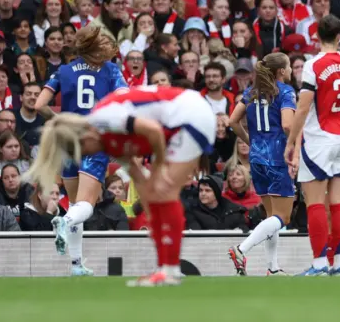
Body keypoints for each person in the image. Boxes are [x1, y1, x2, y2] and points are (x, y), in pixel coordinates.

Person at [25, 85, 216, 286]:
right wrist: (152, 210)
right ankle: (164, 269)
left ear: (83, 139)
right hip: (180, 121)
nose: (84, 157)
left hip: (191, 115)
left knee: (165, 192)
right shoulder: (107, 141)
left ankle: (169, 270)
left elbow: (154, 132)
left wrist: (158, 169)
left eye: (80, 152)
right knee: (157, 197)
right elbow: (138, 175)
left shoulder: (105, 119)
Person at [32, 26, 125, 277]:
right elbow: (125, 99)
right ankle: (63, 222)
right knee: (86, 205)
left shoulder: (63, 70)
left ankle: (75, 265)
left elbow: (39, 105)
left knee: (74, 203)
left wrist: (61, 121)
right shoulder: (110, 70)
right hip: (94, 139)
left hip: (68, 140)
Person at [284, 15, 340, 276]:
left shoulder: (313, 65)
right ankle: (338, 264)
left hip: (319, 139)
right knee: (339, 203)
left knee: (314, 202)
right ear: (339, 36)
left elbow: (303, 108)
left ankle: (318, 264)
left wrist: (291, 141)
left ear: (316, 36)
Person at [226, 53, 296, 276]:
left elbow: (232, 121)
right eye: (289, 67)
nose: (292, 70)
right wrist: (295, 147)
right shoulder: (285, 92)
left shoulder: (251, 92)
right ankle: (241, 249)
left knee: (271, 217)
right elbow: (287, 124)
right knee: (283, 218)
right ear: (282, 72)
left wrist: (250, 141)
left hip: (256, 159)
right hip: (277, 158)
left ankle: (272, 268)